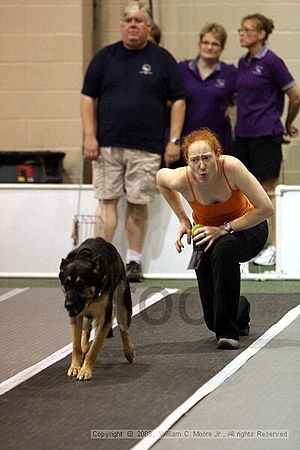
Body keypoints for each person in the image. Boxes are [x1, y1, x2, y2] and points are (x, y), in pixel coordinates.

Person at [81, 1, 186, 282]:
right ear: (121, 25)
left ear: (148, 27)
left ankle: (133, 262)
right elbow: (87, 97)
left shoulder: (163, 60)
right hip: (107, 145)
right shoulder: (105, 57)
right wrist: (89, 136)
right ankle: (101, 260)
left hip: (147, 146)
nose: (133, 25)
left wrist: (174, 139)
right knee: (107, 201)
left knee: (138, 203)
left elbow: (178, 100)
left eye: (139, 20)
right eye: (128, 20)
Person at [156, 128, 273, 350]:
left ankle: (229, 335)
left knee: (224, 247)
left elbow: (266, 208)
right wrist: (183, 220)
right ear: (188, 162)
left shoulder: (232, 168)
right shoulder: (182, 178)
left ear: (217, 156)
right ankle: (238, 309)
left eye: (207, 158)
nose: (201, 166)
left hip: (250, 227)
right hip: (208, 233)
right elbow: (160, 179)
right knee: (212, 320)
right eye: (195, 160)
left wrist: (225, 228)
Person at [234, 13, 300, 266]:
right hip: (243, 135)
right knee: (244, 192)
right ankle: (250, 242)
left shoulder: (272, 61)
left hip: (266, 135)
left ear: (261, 34)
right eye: (241, 29)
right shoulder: (243, 62)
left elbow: (295, 95)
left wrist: (287, 124)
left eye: (247, 30)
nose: (242, 33)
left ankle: (273, 246)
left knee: (267, 192)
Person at [168, 23, 237, 168]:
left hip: (217, 143)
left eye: (215, 44)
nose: (210, 47)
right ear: (199, 45)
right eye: (206, 42)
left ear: (222, 48)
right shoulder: (182, 69)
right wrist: (172, 141)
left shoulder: (230, 73)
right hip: (185, 142)